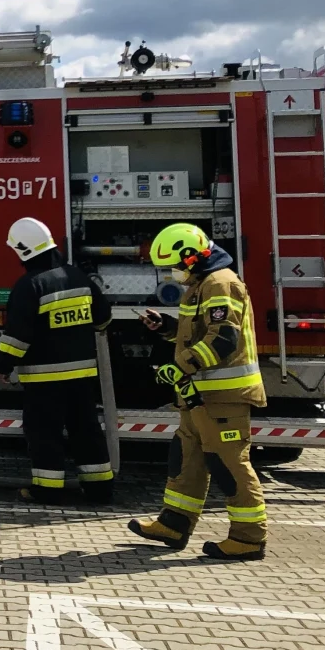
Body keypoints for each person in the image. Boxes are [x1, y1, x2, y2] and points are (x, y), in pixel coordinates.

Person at [128, 223, 269, 561]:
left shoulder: (220, 283)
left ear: (192, 257)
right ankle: (174, 524)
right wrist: (167, 327)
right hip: (199, 395)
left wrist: (181, 366)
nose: (173, 273)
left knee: (229, 464)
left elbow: (223, 339)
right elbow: (199, 331)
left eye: (175, 265)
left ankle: (248, 538)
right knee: (186, 458)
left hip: (223, 397)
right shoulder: (201, 284)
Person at [0, 217, 114, 504]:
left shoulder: (30, 285)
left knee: (44, 434)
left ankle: (48, 490)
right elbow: (103, 318)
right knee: (87, 431)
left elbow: (18, 337)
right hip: (82, 377)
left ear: (22, 250)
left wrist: (3, 366)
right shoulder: (79, 277)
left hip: (44, 380)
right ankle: (100, 490)